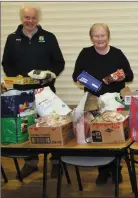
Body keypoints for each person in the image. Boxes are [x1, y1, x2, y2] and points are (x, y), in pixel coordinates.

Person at [1, 5, 65, 179]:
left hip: (45, 92)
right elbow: (6, 64)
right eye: (27, 17)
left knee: (51, 126)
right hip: (22, 93)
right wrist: (16, 76)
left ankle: (56, 162)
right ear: (22, 18)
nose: (30, 21)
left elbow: (59, 63)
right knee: (27, 128)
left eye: (33, 18)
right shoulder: (12, 38)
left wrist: (49, 75)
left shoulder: (49, 38)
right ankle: (30, 163)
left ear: (38, 19)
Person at [72, 23, 134, 185]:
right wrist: (82, 79)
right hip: (93, 100)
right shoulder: (85, 54)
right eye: (96, 36)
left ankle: (115, 168)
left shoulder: (117, 54)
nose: (100, 39)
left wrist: (121, 77)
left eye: (103, 35)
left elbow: (129, 75)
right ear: (91, 37)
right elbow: (75, 75)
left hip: (114, 101)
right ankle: (103, 170)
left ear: (108, 36)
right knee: (97, 136)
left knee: (113, 135)